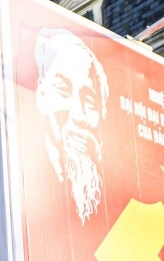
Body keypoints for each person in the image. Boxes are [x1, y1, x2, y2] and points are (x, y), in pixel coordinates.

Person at [34, 28, 109, 224]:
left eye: (90, 99)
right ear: (42, 97)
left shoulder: (114, 201)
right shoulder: (32, 189)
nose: (79, 115)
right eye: (63, 90)